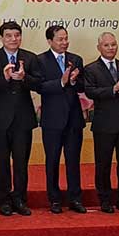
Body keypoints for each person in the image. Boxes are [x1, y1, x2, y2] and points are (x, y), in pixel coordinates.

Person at [0, 21, 37, 216]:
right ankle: (3, 200)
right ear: (1, 38)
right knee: (1, 161)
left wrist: (24, 79)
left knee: (21, 162)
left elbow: (39, 83)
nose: (13, 39)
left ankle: (20, 199)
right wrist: (4, 79)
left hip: (23, 118)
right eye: (9, 36)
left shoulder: (30, 58)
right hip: (0, 118)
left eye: (16, 35)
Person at [32, 24, 85, 214]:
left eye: (66, 38)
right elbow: (39, 86)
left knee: (73, 161)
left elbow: (82, 87)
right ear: (49, 41)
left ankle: (75, 199)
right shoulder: (40, 60)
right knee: (52, 161)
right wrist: (61, 82)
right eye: (60, 39)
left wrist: (74, 81)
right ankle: (54, 199)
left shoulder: (75, 59)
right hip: (52, 120)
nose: (64, 42)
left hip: (73, 119)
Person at [83, 32, 119, 213]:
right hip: (104, 124)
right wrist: (113, 90)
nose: (110, 48)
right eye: (106, 45)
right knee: (103, 164)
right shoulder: (91, 69)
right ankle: (105, 200)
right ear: (99, 47)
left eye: (113, 44)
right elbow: (90, 92)